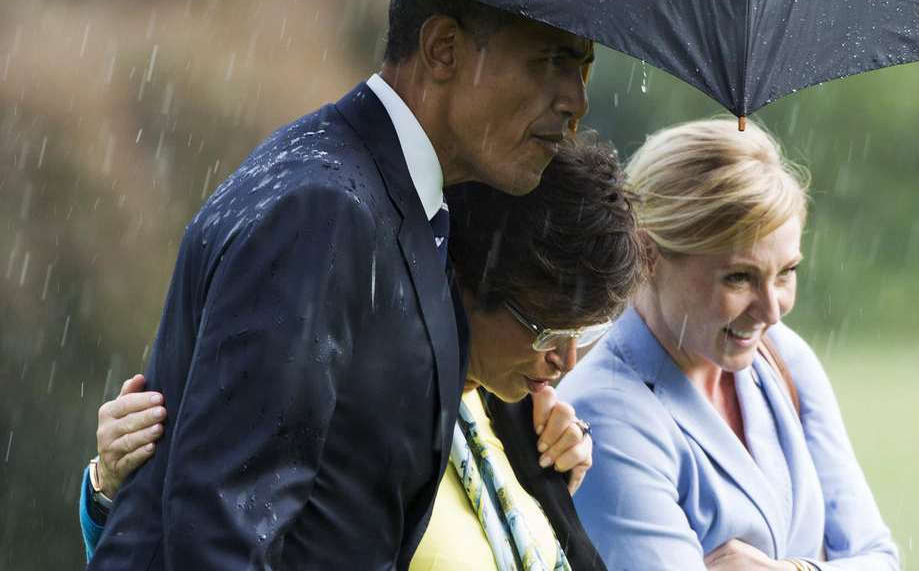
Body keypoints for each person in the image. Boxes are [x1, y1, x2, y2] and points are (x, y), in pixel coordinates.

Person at [87, 0, 593, 570]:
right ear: (443, 49)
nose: (576, 100)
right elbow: (221, 532)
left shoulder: (399, 199)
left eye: (583, 67)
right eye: (551, 61)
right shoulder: (322, 210)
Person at [81, 134, 644, 571]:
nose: (567, 361)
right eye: (547, 331)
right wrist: (108, 497)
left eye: (588, 332)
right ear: (474, 283)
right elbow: (219, 539)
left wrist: (548, 492)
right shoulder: (351, 396)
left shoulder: (517, 422)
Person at [557, 119, 901, 571]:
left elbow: (879, 557)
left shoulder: (784, 360)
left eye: (786, 273)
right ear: (647, 255)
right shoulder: (605, 412)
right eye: (739, 277)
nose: (772, 311)